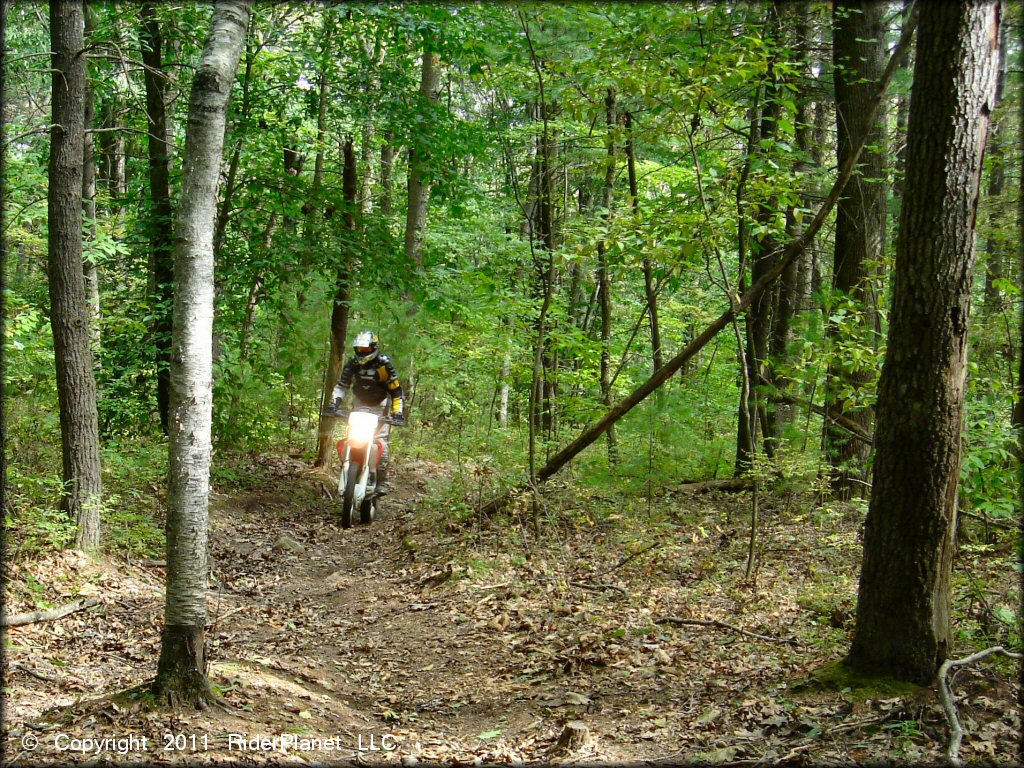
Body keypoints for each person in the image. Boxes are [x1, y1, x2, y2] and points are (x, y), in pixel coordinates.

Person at [329, 330, 405, 492]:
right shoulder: (353, 364)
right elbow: (342, 386)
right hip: (358, 405)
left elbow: (396, 391)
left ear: (374, 348)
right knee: (350, 438)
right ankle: (349, 467)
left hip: (380, 407)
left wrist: (397, 413)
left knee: (381, 442)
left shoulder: (383, 365)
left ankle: (381, 481)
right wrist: (333, 404)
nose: (362, 353)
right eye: (360, 350)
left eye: (366, 350)